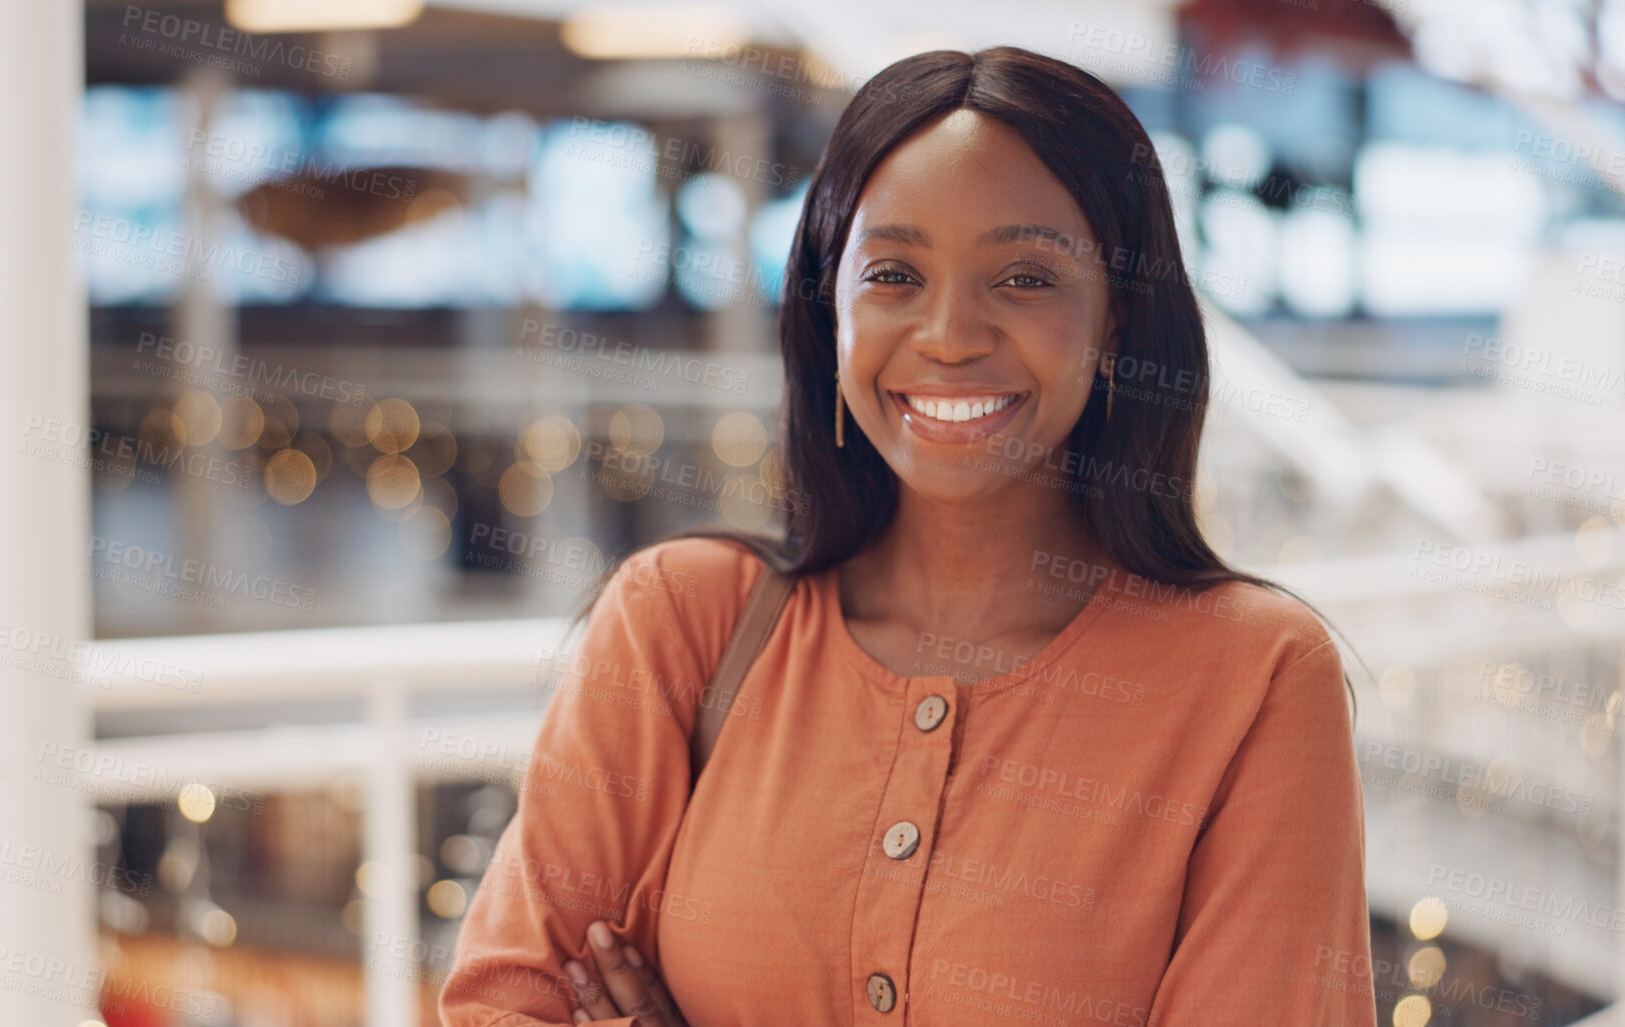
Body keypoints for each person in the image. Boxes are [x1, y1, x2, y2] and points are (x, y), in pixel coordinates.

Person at [438, 44, 1375, 1026]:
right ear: (827, 307)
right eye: (893, 272)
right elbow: (505, 1003)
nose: (949, 335)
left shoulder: (1253, 677)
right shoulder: (679, 622)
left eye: (1024, 278)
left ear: (1116, 321)